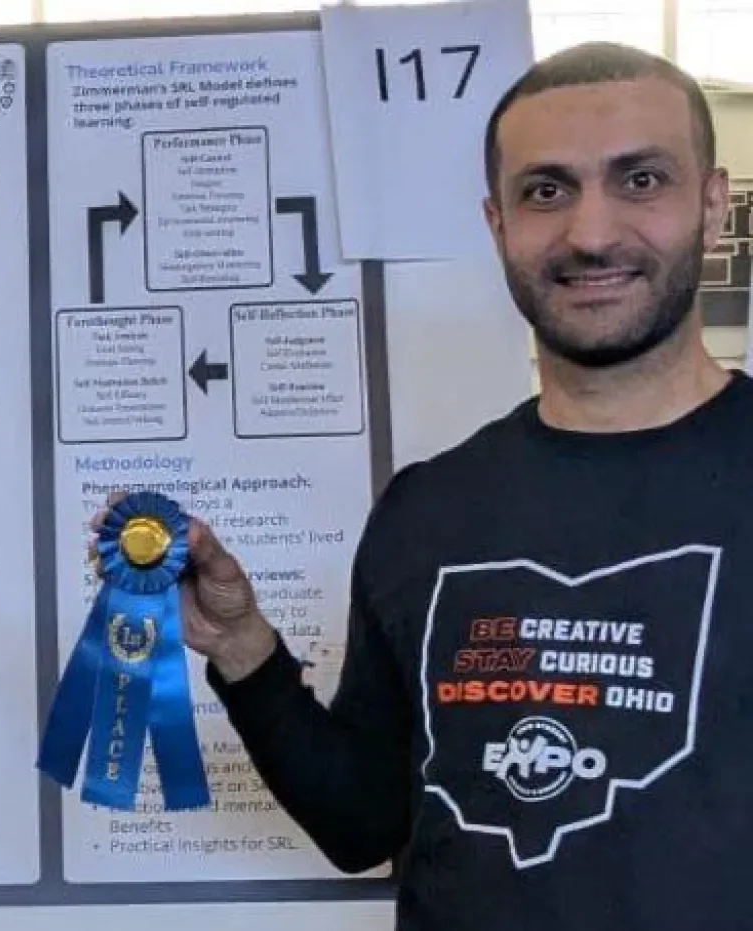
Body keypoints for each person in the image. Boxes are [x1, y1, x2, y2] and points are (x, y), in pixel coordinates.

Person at [96, 41, 749, 929]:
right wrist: (242, 647)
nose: (591, 233)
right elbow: (362, 822)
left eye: (640, 180)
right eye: (546, 191)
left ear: (711, 203)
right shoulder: (430, 509)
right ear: (497, 224)